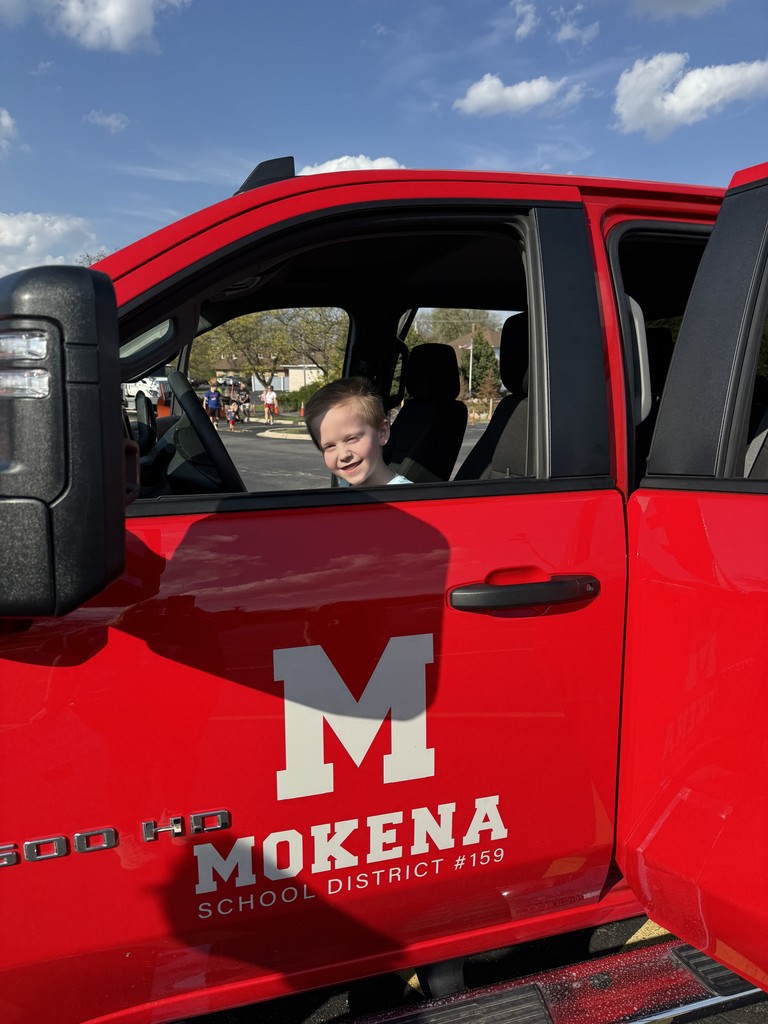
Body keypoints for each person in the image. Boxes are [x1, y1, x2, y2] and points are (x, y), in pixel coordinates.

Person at [304, 377, 412, 487]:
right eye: (330, 446)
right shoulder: (345, 485)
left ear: (382, 433)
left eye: (352, 439)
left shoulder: (408, 498)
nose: (343, 455)